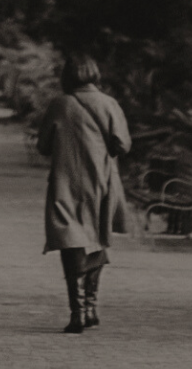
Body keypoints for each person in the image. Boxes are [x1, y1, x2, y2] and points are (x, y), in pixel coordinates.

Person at [37, 54, 131, 333]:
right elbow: (123, 145)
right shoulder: (109, 104)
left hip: (66, 182)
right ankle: (90, 307)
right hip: (101, 181)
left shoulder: (60, 105)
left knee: (71, 240)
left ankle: (77, 311)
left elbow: (43, 146)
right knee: (97, 238)